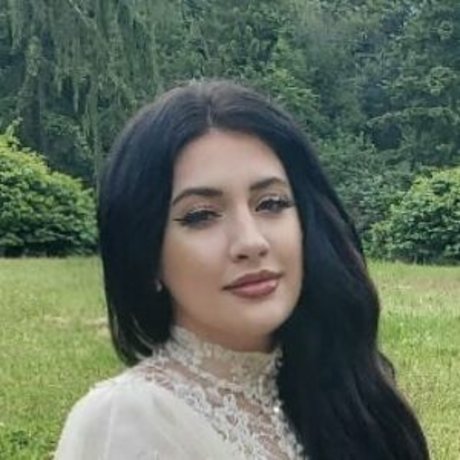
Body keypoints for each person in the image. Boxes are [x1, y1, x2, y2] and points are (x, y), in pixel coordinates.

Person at [54, 80, 429, 459]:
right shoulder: (127, 421)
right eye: (200, 215)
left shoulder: (342, 397)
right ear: (146, 254)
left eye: (271, 203)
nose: (251, 242)